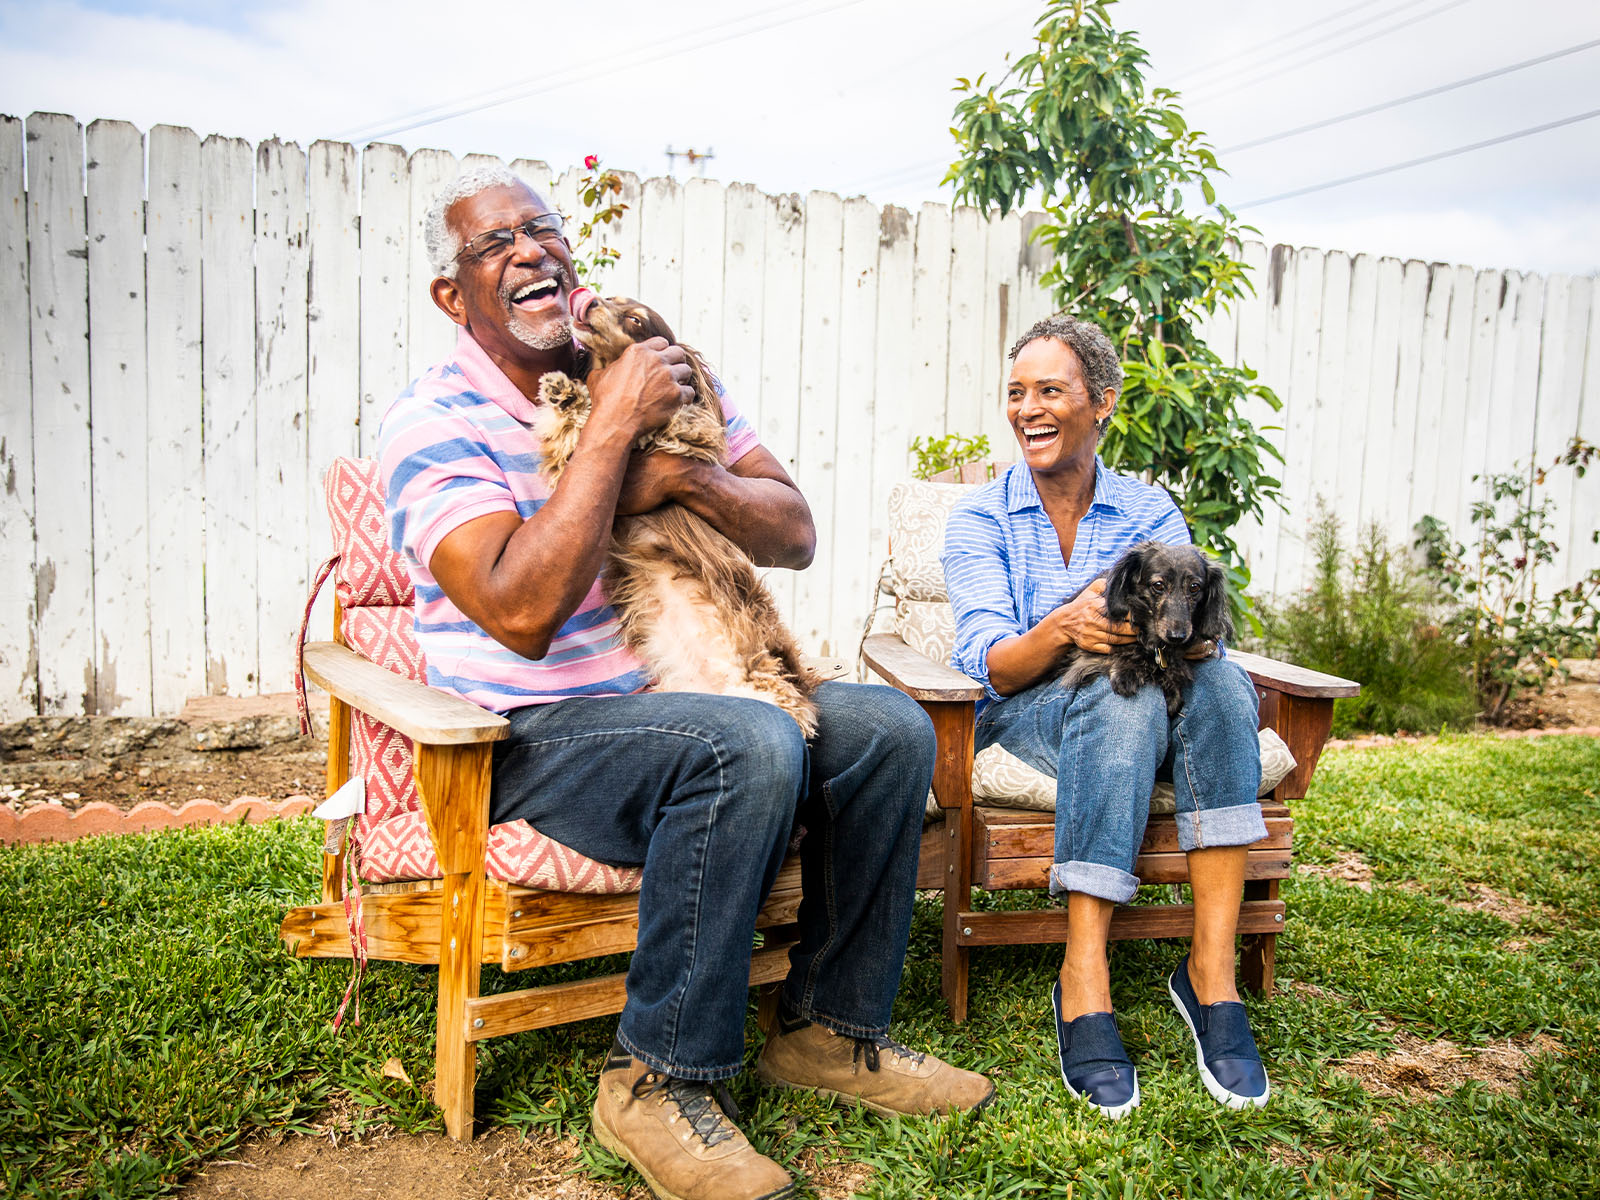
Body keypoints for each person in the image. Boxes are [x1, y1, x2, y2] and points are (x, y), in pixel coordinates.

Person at [377, 164, 992, 1200]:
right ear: (454, 295)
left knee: (886, 727)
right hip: (531, 737)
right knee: (741, 741)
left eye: (543, 230)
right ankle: (655, 1082)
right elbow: (518, 613)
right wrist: (613, 436)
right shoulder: (431, 424)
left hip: (692, 693)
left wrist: (689, 474)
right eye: (494, 246)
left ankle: (829, 1034)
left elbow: (792, 531)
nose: (530, 252)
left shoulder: (655, 370)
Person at [941, 314, 1271, 1119]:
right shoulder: (979, 519)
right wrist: (1062, 627)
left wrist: (1171, 634)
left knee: (1226, 688)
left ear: (1104, 403)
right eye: (1017, 393)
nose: (1029, 408)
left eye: (1051, 390)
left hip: (1160, 701)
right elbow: (989, 663)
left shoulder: (1149, 512)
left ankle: (1211, 975)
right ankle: (1083, 977)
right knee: (1119, 700)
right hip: (1029, 714)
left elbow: (1195, 631)